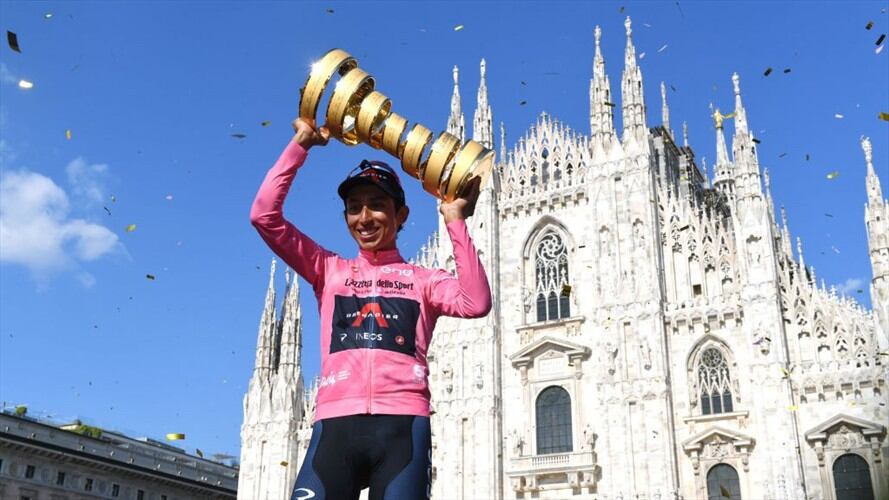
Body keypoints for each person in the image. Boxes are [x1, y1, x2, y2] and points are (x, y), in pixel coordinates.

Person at [250, 117, 492, 500]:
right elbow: (264, 216)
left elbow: (475, 301)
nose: (364, 218)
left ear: (401, 215)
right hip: (335, 425)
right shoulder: (328, 270)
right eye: (354, 208)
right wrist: (301, 145)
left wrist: (455, 221)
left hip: (401, 428)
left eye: (377, 206)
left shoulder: (423, 280)